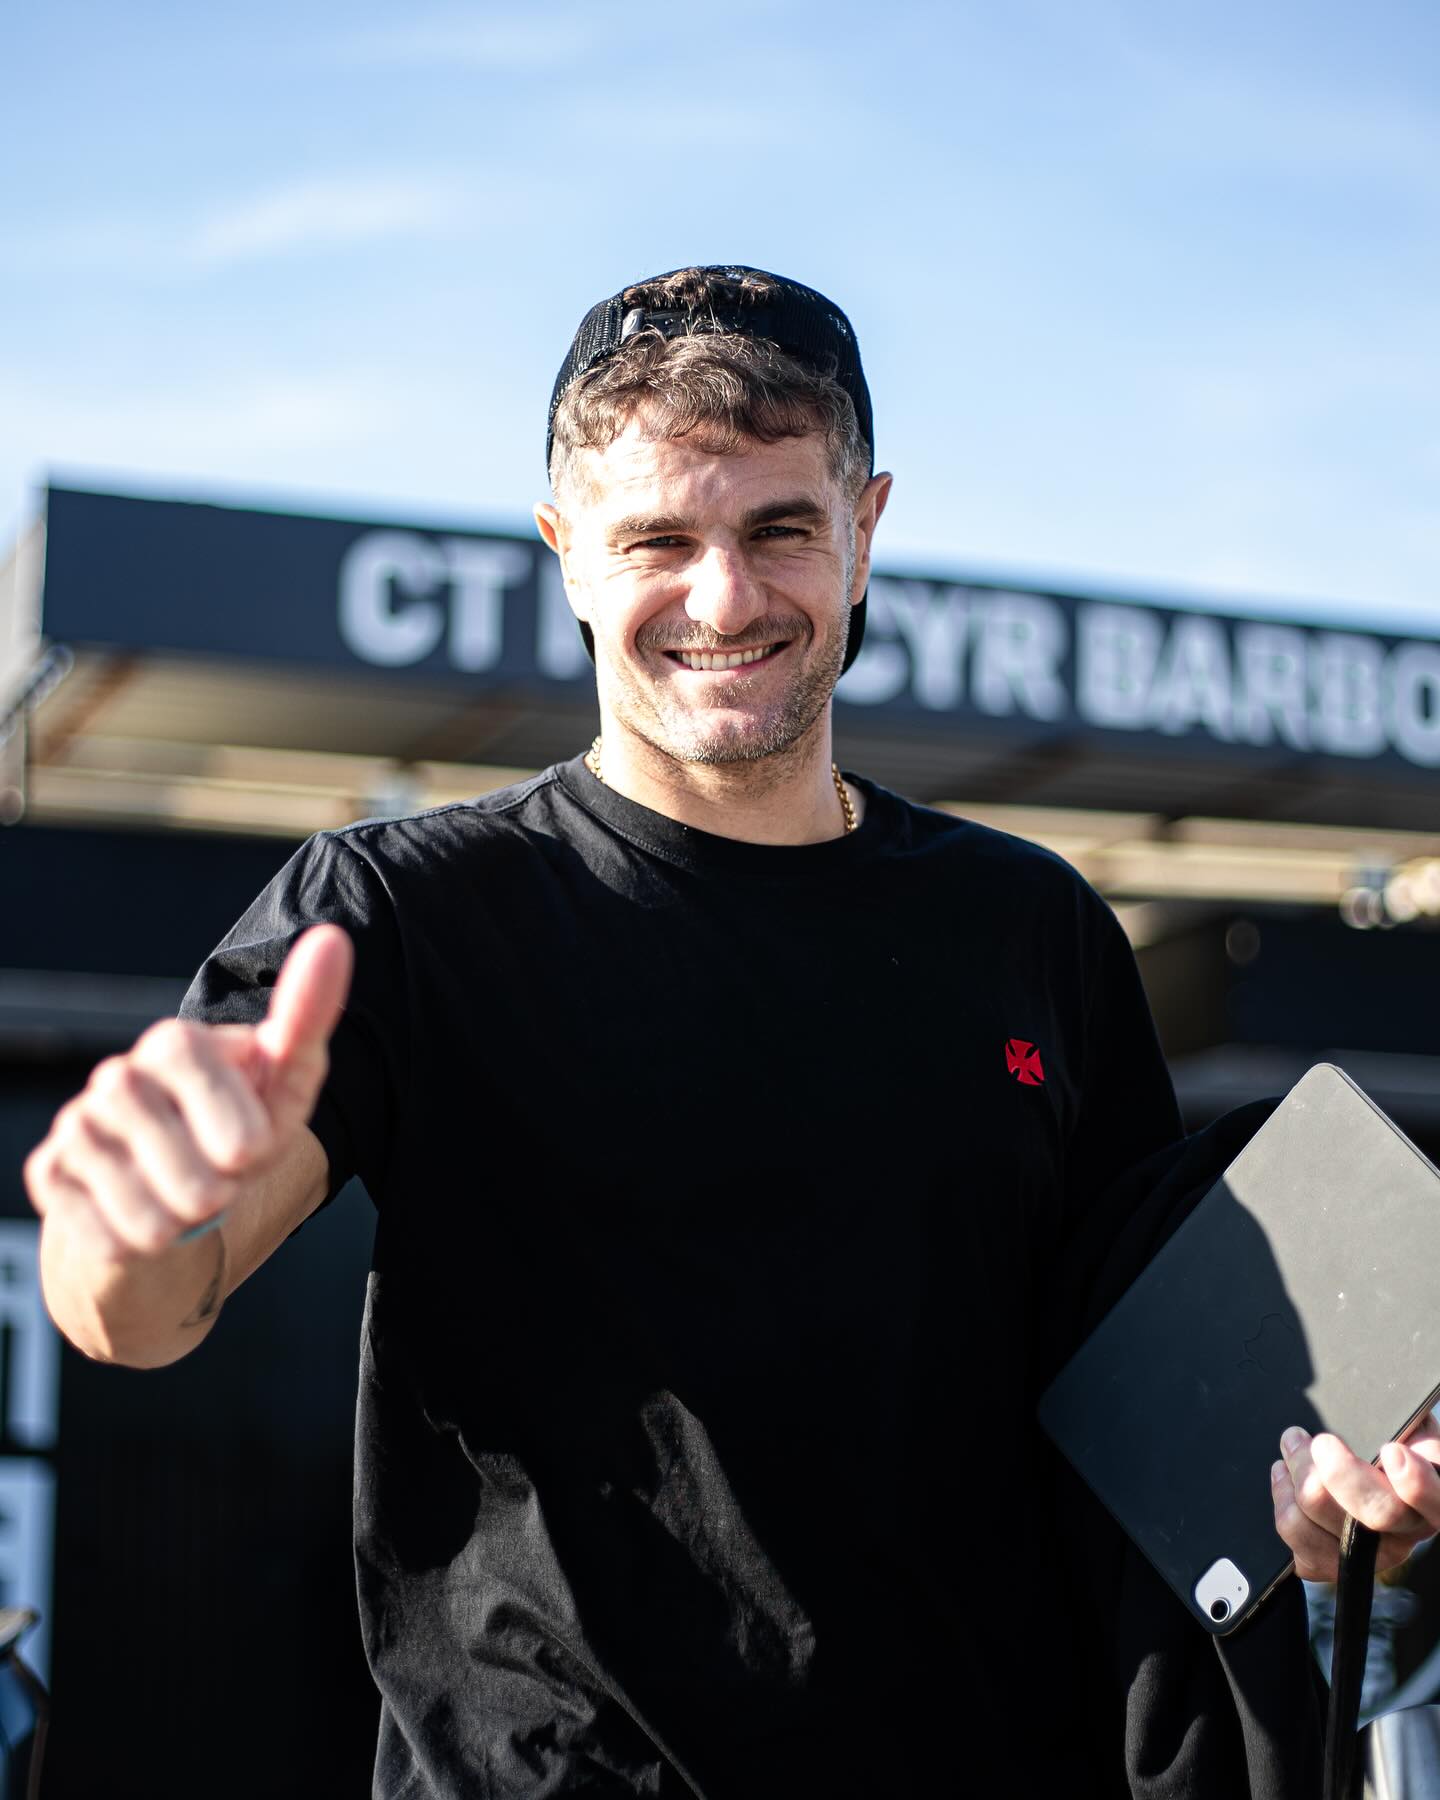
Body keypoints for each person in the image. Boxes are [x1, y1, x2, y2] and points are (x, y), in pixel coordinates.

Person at [23, 266, 1440, 1797]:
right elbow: (137, 1311)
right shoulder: (401, 915)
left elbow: (1148, 1439)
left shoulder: (1035, 932)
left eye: (780, 530)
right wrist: (131, 1221)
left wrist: (1336, 1520)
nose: (724, 599)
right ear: (565, 552)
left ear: (866, 530)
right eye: (656, 541)